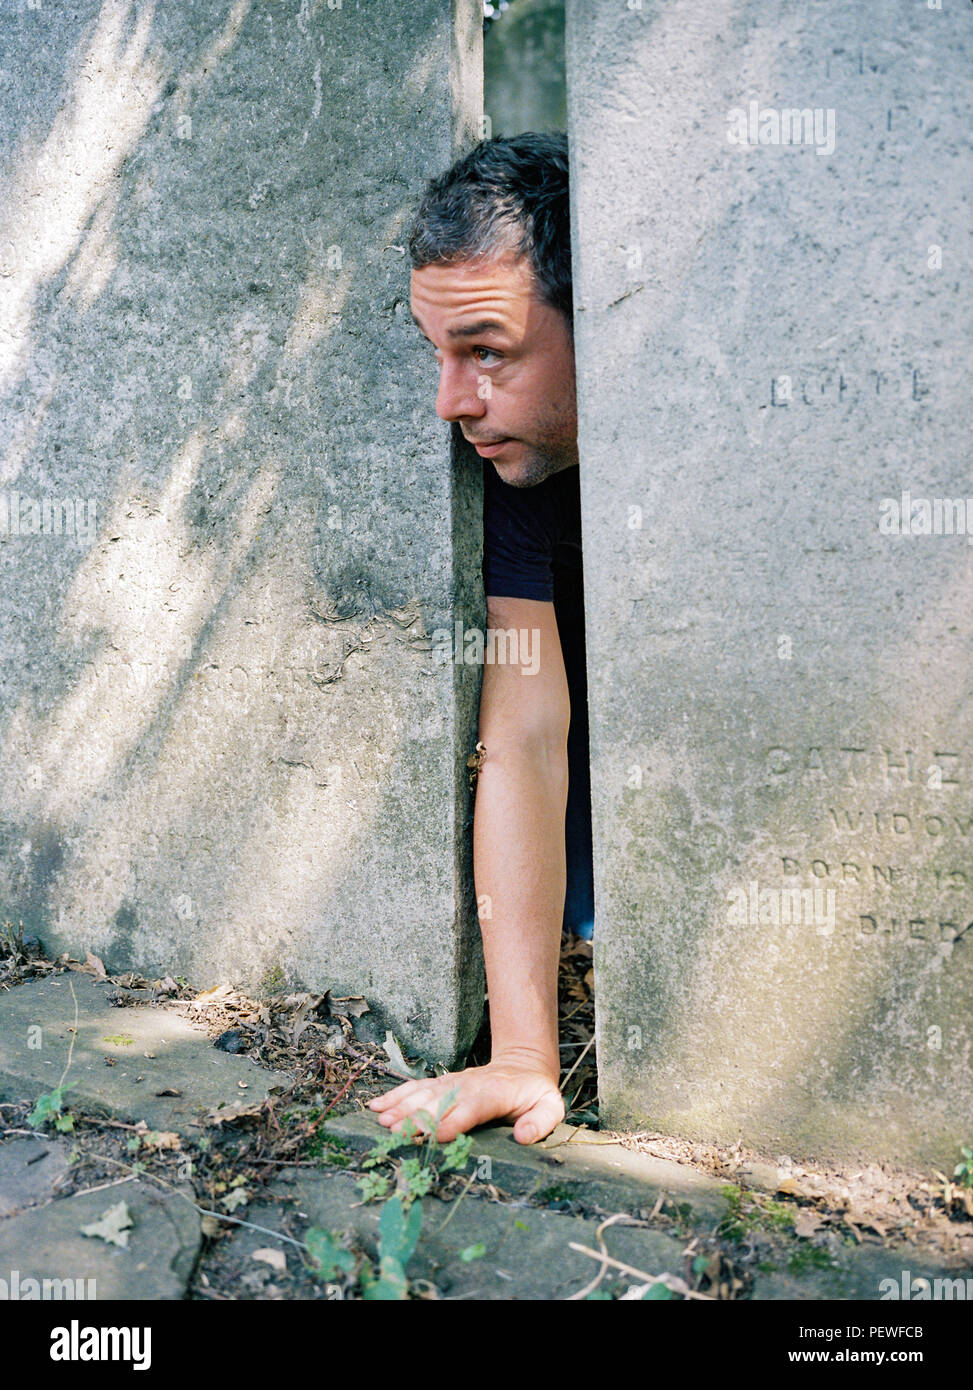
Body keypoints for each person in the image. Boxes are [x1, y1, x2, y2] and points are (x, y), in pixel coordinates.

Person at [367, 134, 593, 1146]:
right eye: (439, 356)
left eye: (487, 352)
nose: (451, 403)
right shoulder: (509, 475)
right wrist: (521, 1057)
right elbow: (526, 732)